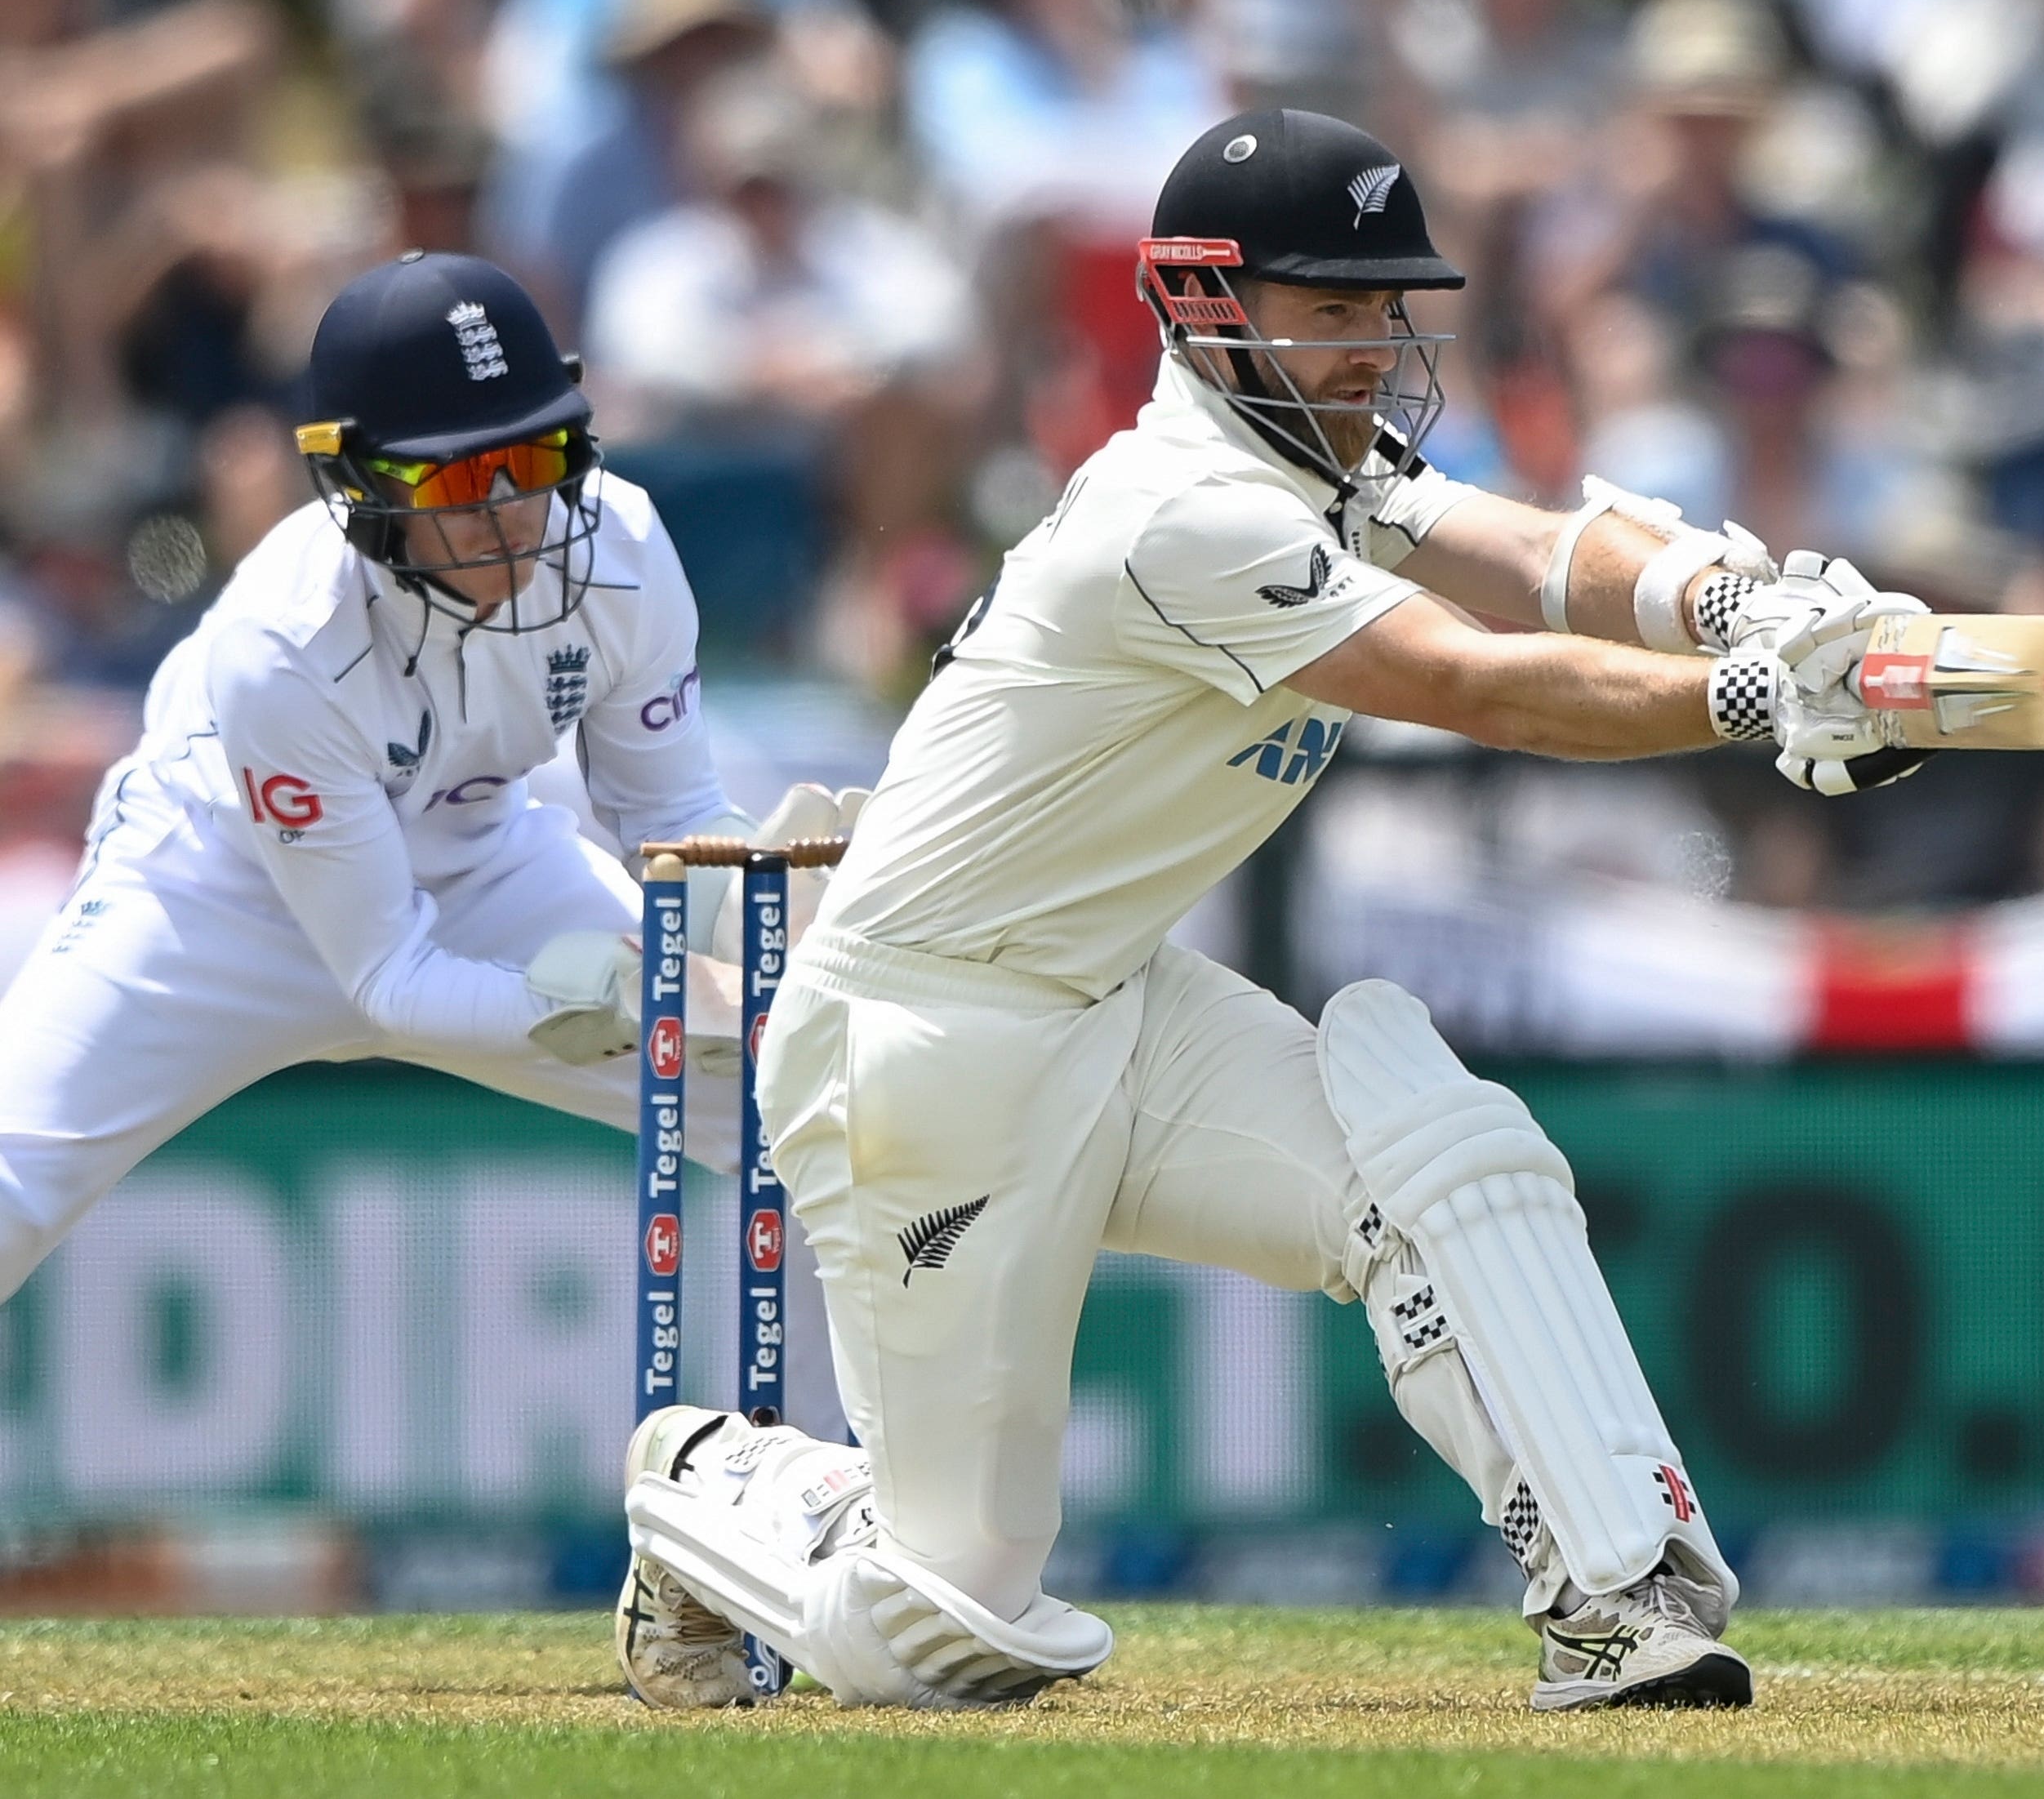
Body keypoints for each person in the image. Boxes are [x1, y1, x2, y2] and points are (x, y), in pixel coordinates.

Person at [616, 109, 1931, 1713]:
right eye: (1333, 306)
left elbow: (1528, 551)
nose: (1375, 344)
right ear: (1207, 305)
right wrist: (1744, 698)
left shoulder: (1312, 459)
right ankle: (708, 1482)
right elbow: (1471, 680)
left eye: (1388, 305)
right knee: (941, 1631)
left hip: (1108, 992)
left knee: (1441, 1162)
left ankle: (1611, 1600)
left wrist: (1735, 601)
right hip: (922, 1037)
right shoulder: (1185, 510)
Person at [0, 252, 844, 1497]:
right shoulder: (279, 650)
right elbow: (386, 979)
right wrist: (629, 998)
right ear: (359, 485)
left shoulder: (621, 546)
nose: (510, 510)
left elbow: (667, 821)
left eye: (537, 457)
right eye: (459, 474)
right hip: (214, 893)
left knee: (823, 1126)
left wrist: (796, 936)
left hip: (479, 856)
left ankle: (887, 1532)